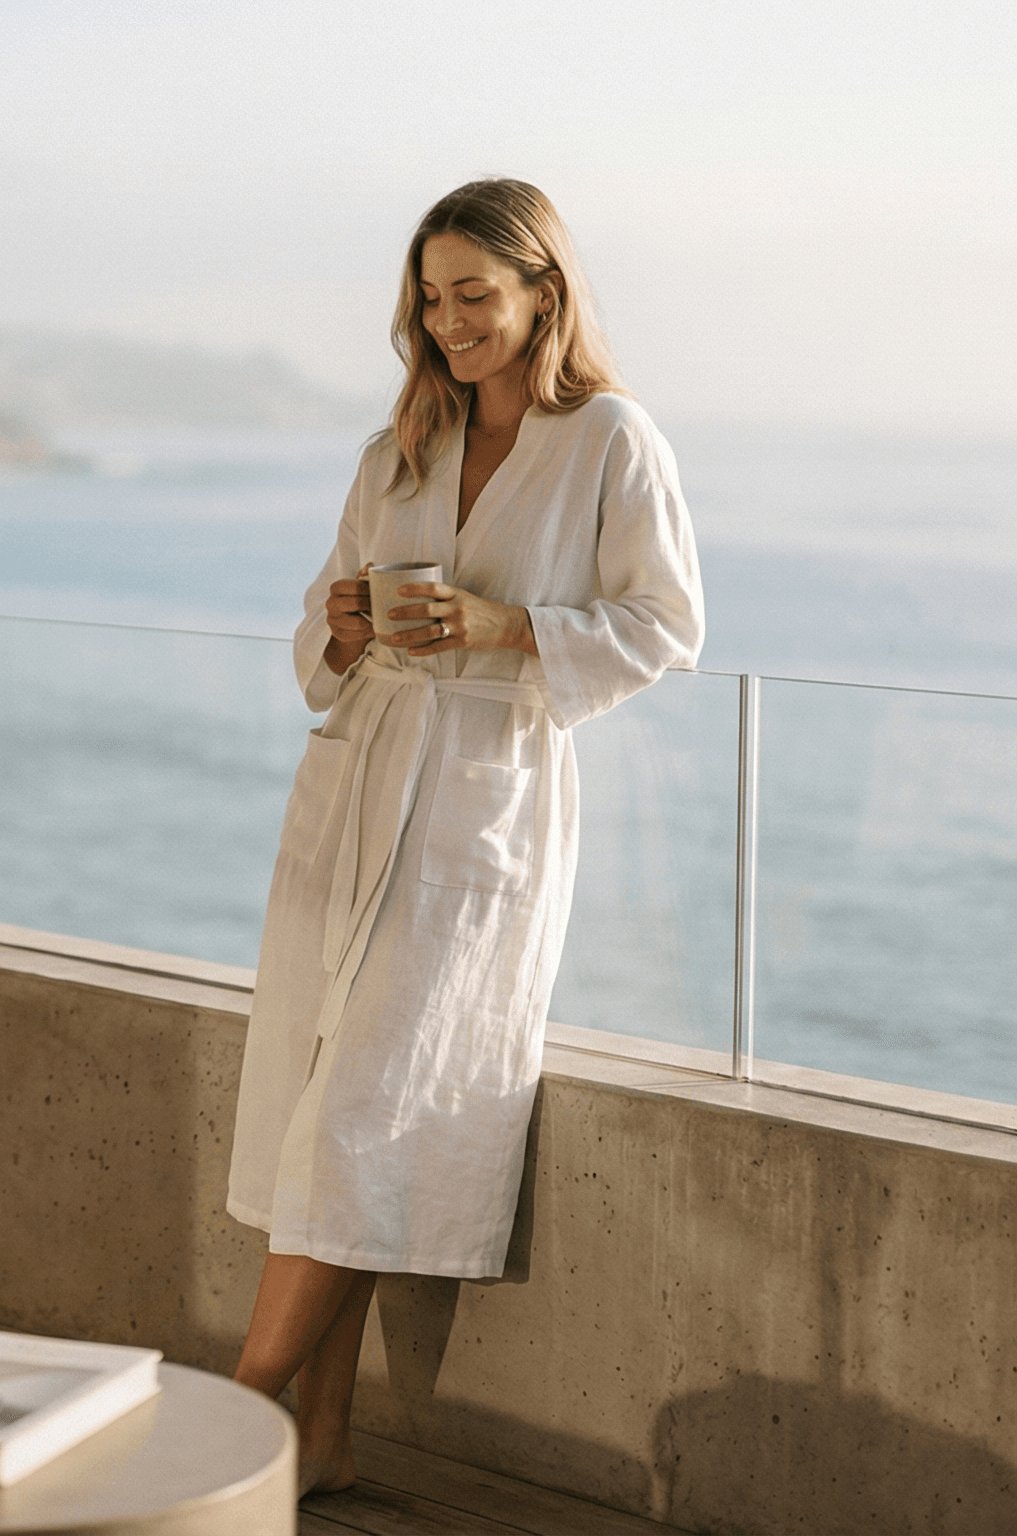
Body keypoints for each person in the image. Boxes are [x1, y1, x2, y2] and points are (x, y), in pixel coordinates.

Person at [224, 178, 705, 1496]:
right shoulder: (400, 450)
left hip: (481, 813)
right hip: (356, 785)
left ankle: (228, 1418)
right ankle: (313, 1442)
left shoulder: (611, 441)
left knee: (364, 1116)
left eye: (474, 297)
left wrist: (506, 630)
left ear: (543, 290)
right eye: (431, 302)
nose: (449, 326)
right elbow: (316, 647)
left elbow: (669, 625)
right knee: (324, 1114)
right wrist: (343, 623)